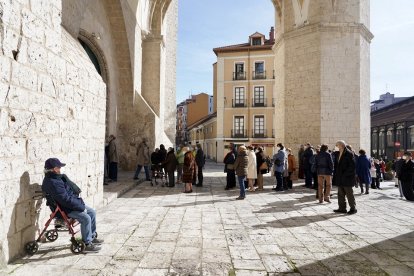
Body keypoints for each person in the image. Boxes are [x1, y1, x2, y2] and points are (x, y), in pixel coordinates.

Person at [42, 158, 103, 252]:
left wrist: (79, 204)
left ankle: (91, 236)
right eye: (59, 167)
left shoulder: (57, 178)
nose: (61, 169)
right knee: (86, 217)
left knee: (92, 212)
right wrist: (80, 207)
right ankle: (87, 243)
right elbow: (65, 200)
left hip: (69, 204)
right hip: (64, 209)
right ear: (54, 169)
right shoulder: (53, 183)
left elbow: (68, 195)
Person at [333, 140, 357, 215]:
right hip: (340, 177)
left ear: (341, 145)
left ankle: (353, 208)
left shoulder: (349, 154)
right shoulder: (338, 153)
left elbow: (352, 167)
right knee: (340, 194)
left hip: (347, 178)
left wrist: (345, 174)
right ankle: (342, 208)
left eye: (337, 145)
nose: (336, 147)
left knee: (349, 194)